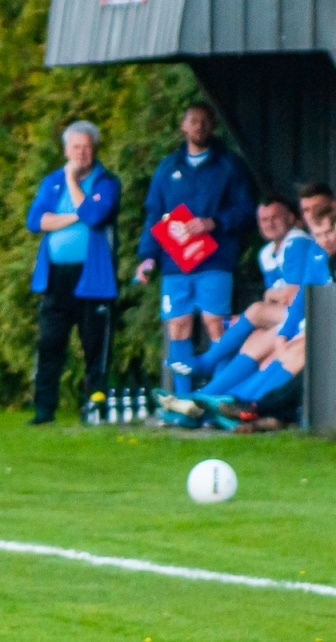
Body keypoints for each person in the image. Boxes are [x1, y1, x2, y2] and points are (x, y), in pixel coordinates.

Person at [169, 202, 335, 430]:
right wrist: (284, 335)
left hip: (324, 327)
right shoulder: (316, 252)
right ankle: (212, 401)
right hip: (316, 323)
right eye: (319, 235)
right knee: (268, 342)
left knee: (296, 347)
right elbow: (302, 299)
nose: (325, 240)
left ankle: (237, 403)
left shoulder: (299, 244)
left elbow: (294, 295)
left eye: (329, 233)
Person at [134, 102, 255, 395]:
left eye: (205, 121)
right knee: (178, 326)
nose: (199, 126)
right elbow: (154, 214)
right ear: (183, 126)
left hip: (215, 261)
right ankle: (184, 398)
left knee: (216, 325)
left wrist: (215, 222)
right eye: (193, 121)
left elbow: (247, 209)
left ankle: (218, 397)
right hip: (175, 263)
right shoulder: (167, 167)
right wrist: (147, 257)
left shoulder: (229, 165)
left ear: (213, 126)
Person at [25, 120, 122, 424]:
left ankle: (93, 408)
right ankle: (44, 410)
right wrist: (74, 215)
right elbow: (35, 221)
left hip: (93, 275)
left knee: (94, 345)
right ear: (66, 149)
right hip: (56, 276)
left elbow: (93, 216)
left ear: (94, 150)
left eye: (86, 147)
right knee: (50, 343)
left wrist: (72, 184)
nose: (81, 153)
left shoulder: (106, 182)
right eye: (75, 147)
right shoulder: (50, 181)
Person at [171, 195, 308, 391]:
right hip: (288, 316)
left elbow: (290, 295)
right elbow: (280, 298)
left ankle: (206, 365)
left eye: (275, 217)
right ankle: (209, 396)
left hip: (307, 315)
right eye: (264, 219)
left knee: (256, 311)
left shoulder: (297, 242)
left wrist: (270, 294)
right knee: (254, 337)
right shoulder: (266, 253)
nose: (269, 224)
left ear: (292, 218)